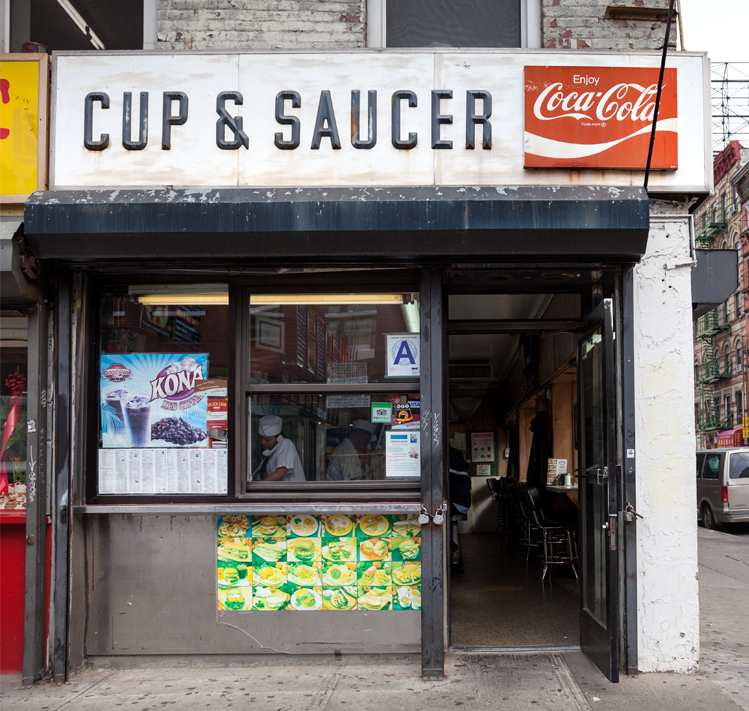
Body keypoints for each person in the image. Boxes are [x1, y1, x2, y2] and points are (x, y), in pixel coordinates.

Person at [252, 415, 305, 482]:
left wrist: (259, 485)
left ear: (278, 438)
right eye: (260, 438)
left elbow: (281, 472)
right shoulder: (268, 452)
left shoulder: (285, 444)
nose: (263, 442)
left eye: (267, 440)